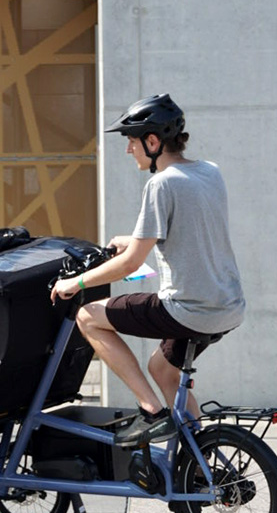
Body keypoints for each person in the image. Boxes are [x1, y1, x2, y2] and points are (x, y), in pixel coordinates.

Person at [50, 93, 246, 448]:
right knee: (162, 369)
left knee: (88, 317)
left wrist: (73, 282)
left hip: (188, 310)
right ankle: (200, 460)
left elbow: (130, 265)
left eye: (131, 142)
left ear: (152, 142)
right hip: (227, 307)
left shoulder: (161, 183)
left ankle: (152, 413)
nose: (129, 151)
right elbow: (192, 231)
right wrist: (135, 238)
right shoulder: (208, 172)